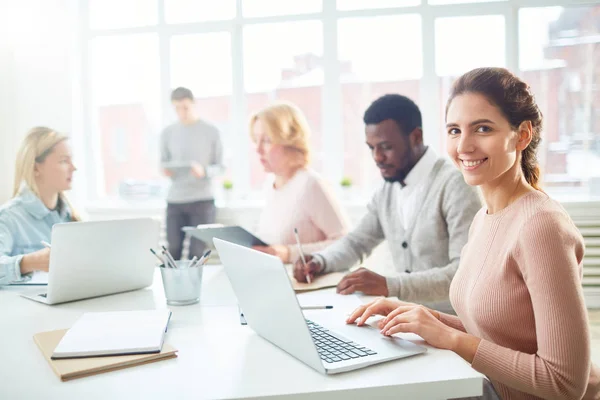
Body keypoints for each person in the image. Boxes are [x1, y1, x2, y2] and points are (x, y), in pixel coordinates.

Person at [347, 68, 600, 400]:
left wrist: (451, 339)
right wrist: (419, 316)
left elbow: (565, 383)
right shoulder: (484, 217)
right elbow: (495, 335)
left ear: (521, 135)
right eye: (454, 130)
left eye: (483, 128)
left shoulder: (542, 226)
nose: (464, 146)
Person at [293, 94, 480, 312]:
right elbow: (356, 242)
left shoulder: (456, 185)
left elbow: (462, 273)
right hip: (407, 322)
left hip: (452, 328)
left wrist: (389, 285)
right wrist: (319, 261)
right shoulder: (388, 188)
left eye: (385, 147)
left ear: (416, 137)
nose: (377, 157)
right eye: (371, 148)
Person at [250, 101, 349, 263]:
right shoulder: (270, 185)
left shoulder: (311, 184)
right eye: (256, 140)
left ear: (290, 142)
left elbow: (346, 244)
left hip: (308, 285)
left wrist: (289, 253)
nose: (258, 149)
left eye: (267, 140)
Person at [0, 127, 78, 286]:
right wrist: (28, 263)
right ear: (36, 167)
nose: (73, 167)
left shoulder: (69, 216)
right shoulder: (9, 217)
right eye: (64, 161)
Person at [161, 87, 224, 260]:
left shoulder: (211, 131)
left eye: (185, 108)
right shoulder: (167, 133)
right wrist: (166, 170)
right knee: (172, 250)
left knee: (197, 253)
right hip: (175, 200)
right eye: (177, 109)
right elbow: (162, 162)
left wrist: (204, 171)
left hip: (202, 201)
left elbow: (220, 166)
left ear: (193, 104)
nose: (181, 113)